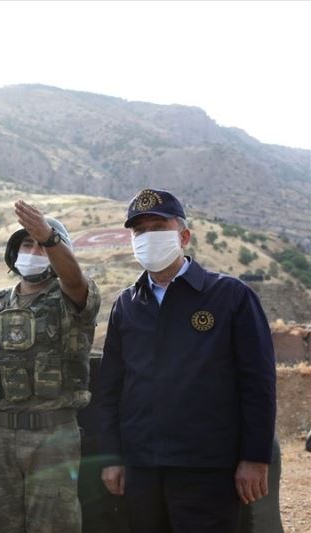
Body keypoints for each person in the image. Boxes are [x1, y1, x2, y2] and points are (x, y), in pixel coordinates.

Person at [94, 188, 276, 533]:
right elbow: (109, 389)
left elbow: (258, 383)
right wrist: (111, 457)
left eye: (158, 227)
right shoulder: (127, 305)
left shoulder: (230, 296)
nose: (148, 237)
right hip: (142, 469)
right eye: (140, 231)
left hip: (208, 468)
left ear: (184, 236)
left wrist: (255, 457)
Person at [0, 200, 100, 533]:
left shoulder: (72, 299)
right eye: (26, 244)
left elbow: (74, 280)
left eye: (41, 246)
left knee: (53, 524)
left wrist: (49, 237)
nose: (33, 251)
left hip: (52, 436)